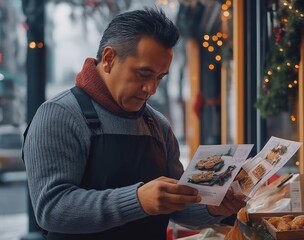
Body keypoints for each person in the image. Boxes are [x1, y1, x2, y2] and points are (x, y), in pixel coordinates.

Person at [23, 8, 245, 240]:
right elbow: (51, 209)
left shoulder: (157, 125)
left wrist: (212, 208)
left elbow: (180, 206)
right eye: (143, 73)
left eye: (159, 77)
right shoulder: (59, 115)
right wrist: (138, 200)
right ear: (109, 59)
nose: (152, 89)